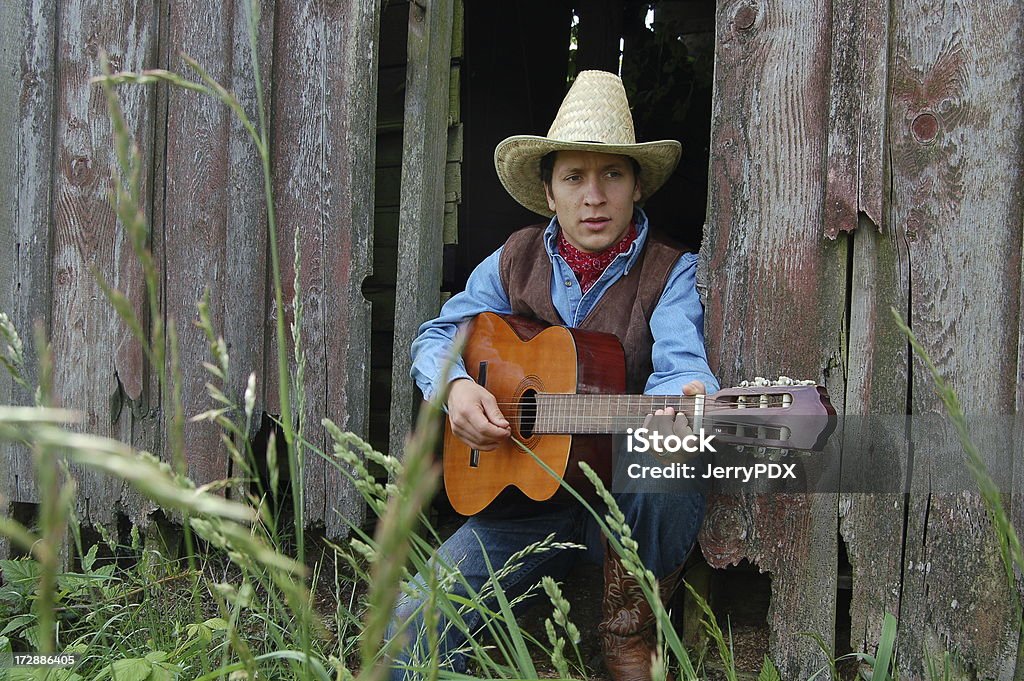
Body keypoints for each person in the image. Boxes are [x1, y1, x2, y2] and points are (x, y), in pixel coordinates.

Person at [387, 70, 719, 681]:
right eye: (574, 177)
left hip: (620, 513)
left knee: (671, 461)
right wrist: (455, 387)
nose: (593, 197)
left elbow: (682, 366)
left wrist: (684, 404)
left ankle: (630, 629)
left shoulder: (671, 273)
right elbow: (438, 335)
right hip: (518, 503)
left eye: (612, 175)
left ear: (637, 185)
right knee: (410, 630)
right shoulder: (514, 258)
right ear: (549, 193)